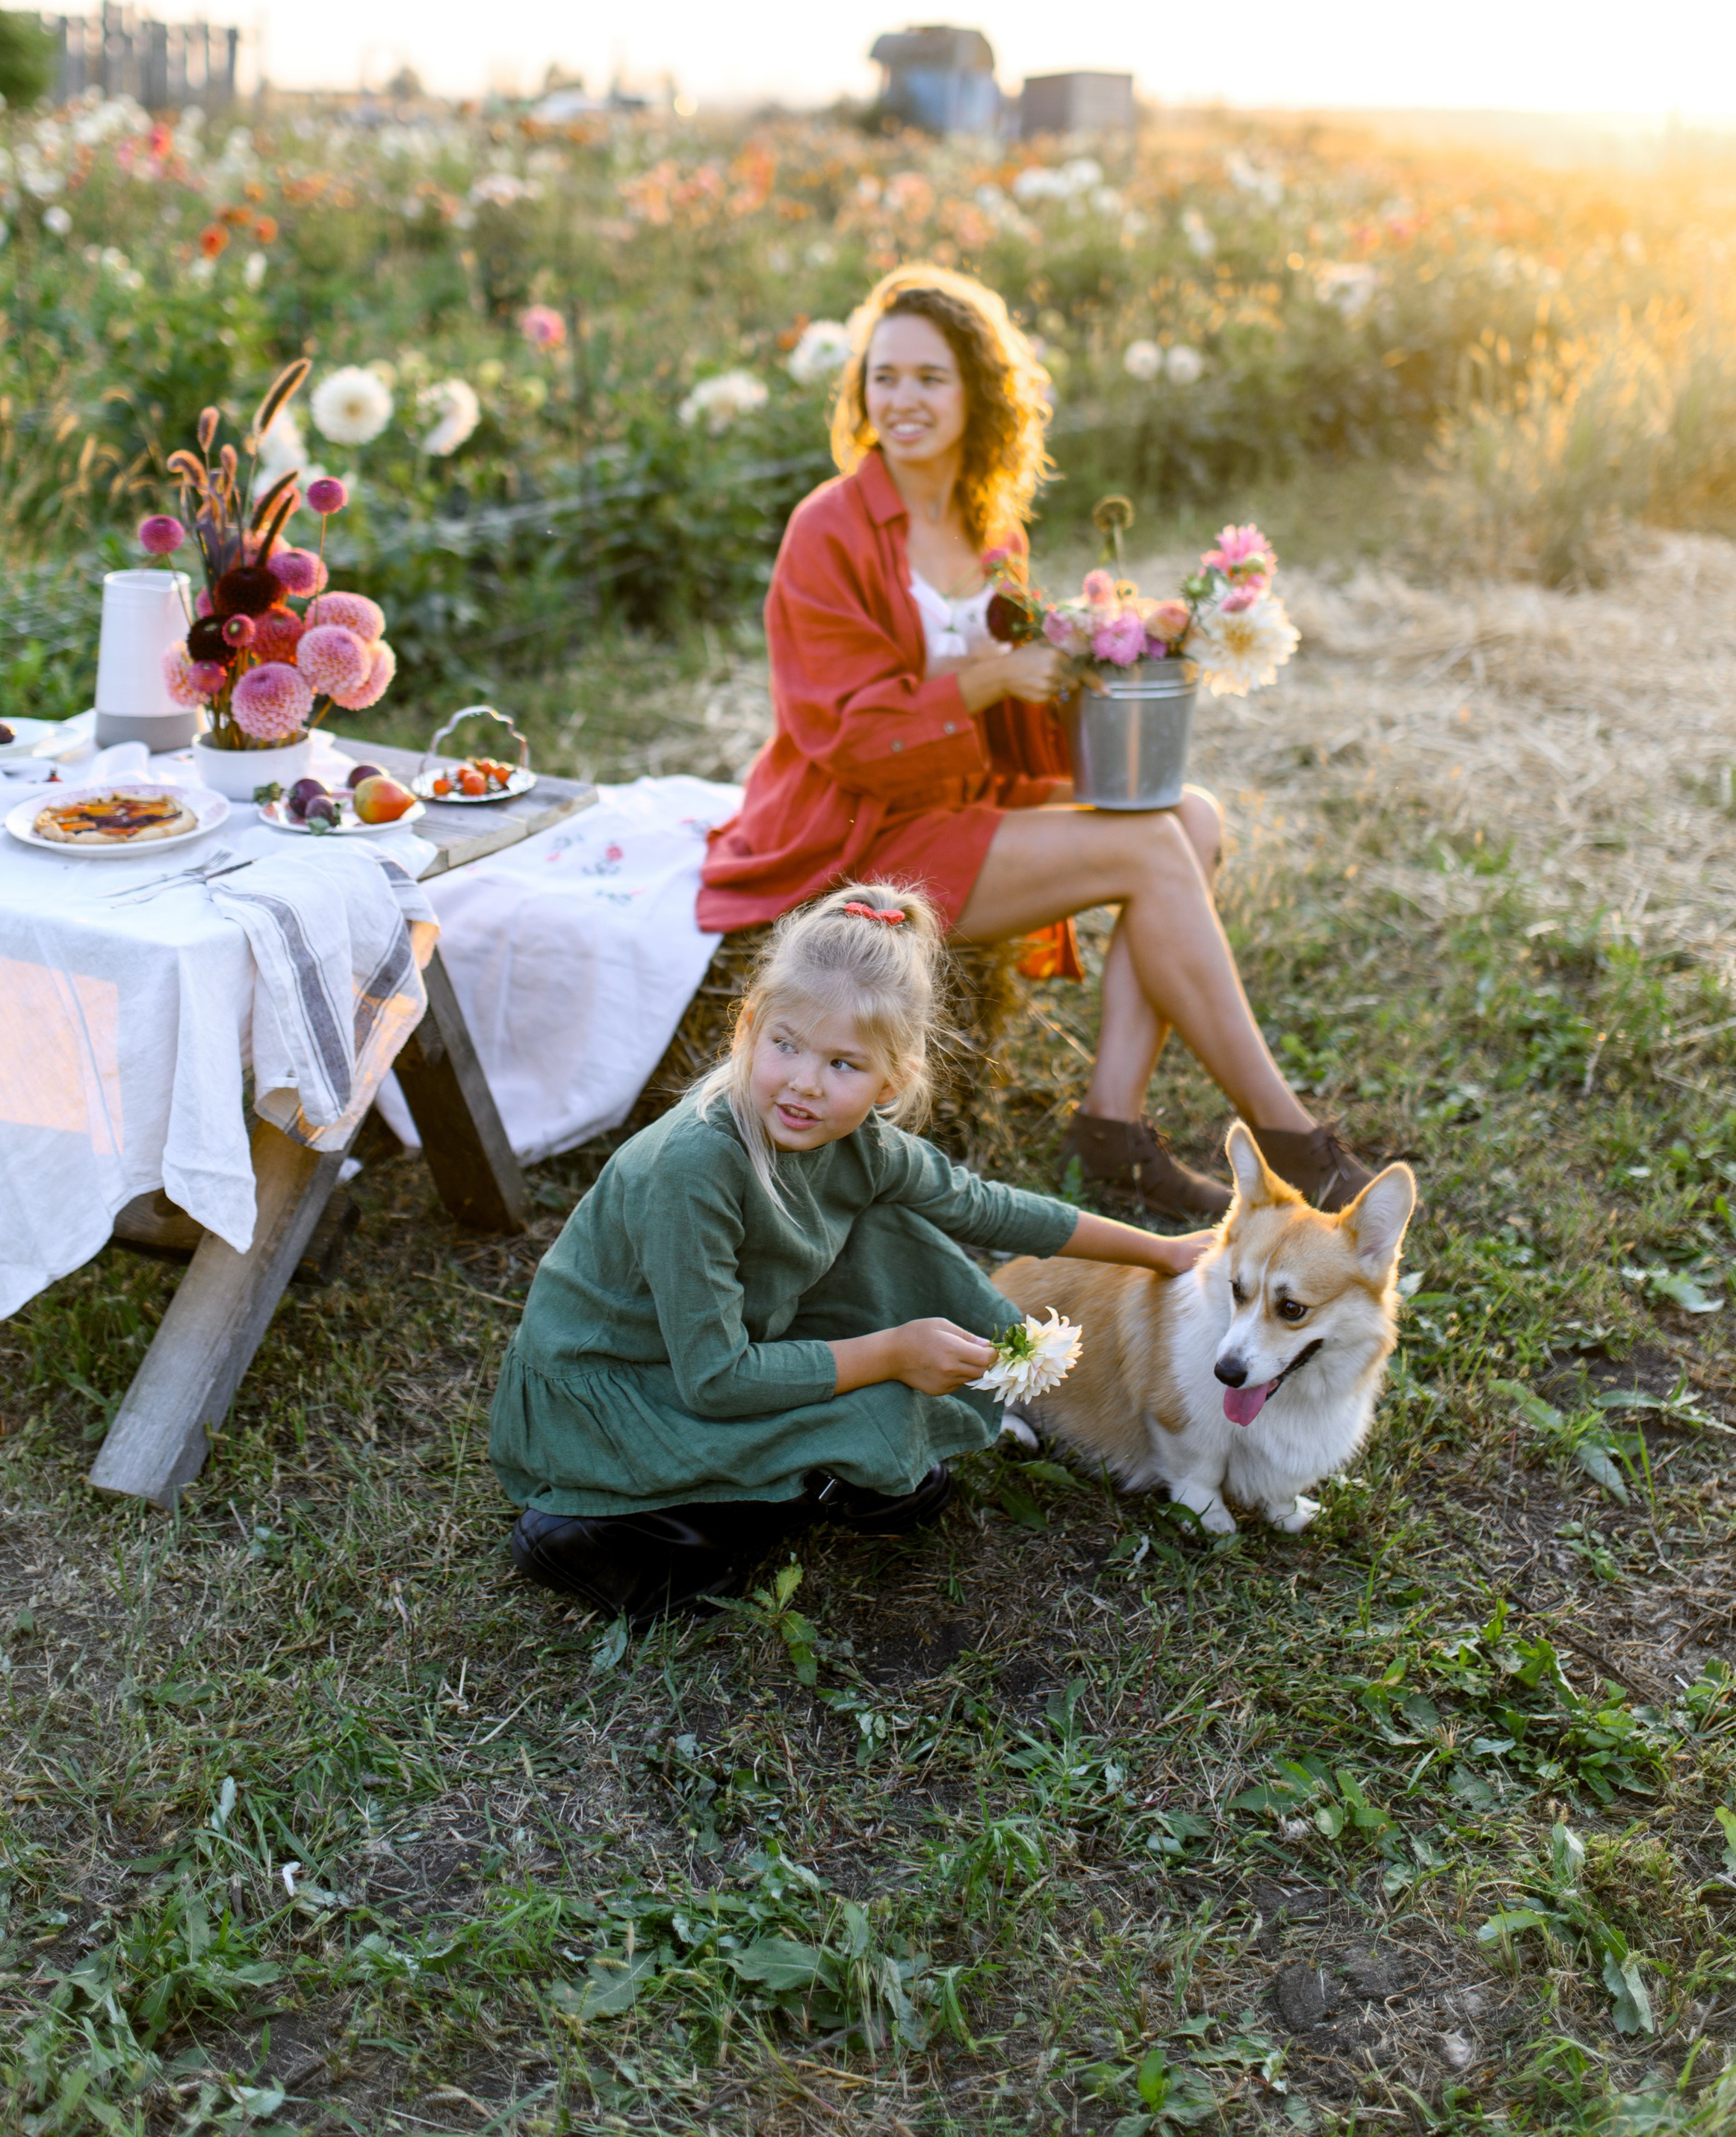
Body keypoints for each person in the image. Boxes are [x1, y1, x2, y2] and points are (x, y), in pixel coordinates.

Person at [698, 261, 1382, 1220]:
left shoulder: (990, 524)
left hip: (961, 799)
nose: (902, 398)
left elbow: (1024, 698)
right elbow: (843, 735)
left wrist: (1124, 642)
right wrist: (985, 674)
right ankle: (1290, 1140)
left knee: (1186, 817)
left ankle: (1111, 1124)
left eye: (931, 377)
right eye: (884, 376)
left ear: (979, 391)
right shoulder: (828, 528)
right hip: (862, 827)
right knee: (1149, 846)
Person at [497, 886, 1212, 1622]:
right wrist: (895, 1352)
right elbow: (715, 1380)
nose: (805, 1081)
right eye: (786, 1044)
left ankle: (793, 1482)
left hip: (733, 1342)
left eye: (843, 1063)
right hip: (621, 1382)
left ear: (890, 1080)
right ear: (748, 1027)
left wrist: (1158, 1251)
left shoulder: (860, 1144)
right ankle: (601, 1528)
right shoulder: (693, 1167)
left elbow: (986, 1206)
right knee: (843, 1442)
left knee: (888, 1231)